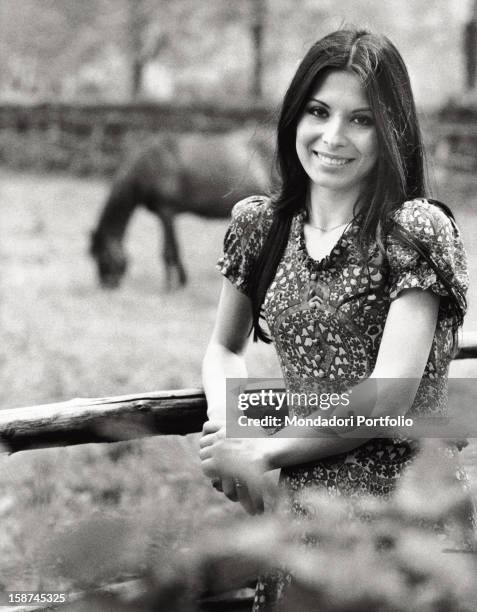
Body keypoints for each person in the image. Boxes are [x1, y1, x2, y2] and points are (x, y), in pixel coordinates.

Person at [198, 28, 469, 611]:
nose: (332, 137)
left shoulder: (413, 231)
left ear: (392, 130)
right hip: (303, 525)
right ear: (295, 114)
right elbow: (224, 347)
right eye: (318, 111)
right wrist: (231, 425)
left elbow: (386, 397)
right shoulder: (259, 227)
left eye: (361, 120)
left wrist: (264, 453)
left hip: (410, 520)